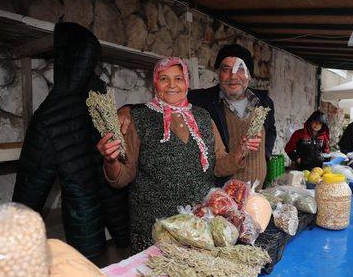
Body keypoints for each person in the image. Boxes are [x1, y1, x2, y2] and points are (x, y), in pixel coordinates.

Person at [97, 57, 262, 254]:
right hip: (155, 229)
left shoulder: (203, 117)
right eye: (164, 79)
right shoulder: (138, 118)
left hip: (199, 225)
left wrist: (241, 151)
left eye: (178, 78)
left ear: (186, 83)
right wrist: (111, 159)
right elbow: (124, 177)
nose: (172, 85)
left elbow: (218, 165)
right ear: (155, 83)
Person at [13, 23, 129, 260]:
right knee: (120, 260)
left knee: (91, 269)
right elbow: (31, 185)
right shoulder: (99, 98)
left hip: (86, 207)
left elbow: (30, 186)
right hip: (106, 199)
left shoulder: (52, 113)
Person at [187, 44, 276, 188]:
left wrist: (265, 154)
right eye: (226, 69)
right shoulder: (204, 102)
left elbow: (271, 129)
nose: (233, 76)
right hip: (220, 192)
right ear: (219, 74)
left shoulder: (263, 102)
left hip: (256, 192)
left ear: (249, 74)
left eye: (240, 69)